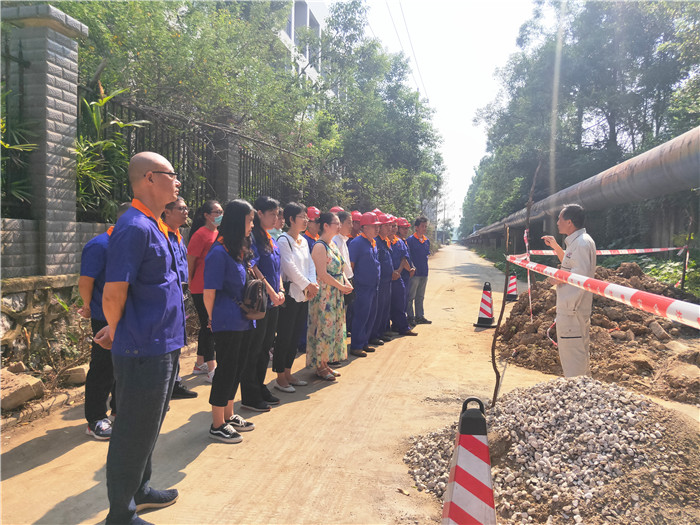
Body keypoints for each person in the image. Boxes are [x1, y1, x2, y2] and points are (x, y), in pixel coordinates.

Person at [98, 151, 184, 524]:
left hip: (162, 343)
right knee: (133, 430)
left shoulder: (155, 225)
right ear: (149, 178)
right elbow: (113, 293)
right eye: (171, 174)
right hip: (142, 349)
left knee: (150, 424)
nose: (177, 181)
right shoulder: (134, 227)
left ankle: (140, 489)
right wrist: (118, 330)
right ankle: (121, 514)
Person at [203, 199, 257, 442]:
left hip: (243, 318)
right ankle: (217, 423)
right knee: (226, 369)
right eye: (249, 220)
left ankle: (228, 414)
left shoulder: (236, 250)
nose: (252, 225)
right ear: (237, 221)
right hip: (227, 320)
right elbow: (209, 292)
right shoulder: (218, 252)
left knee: (237, 367)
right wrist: (211, 318)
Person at [78, 202, 131, 440]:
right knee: (103, 367)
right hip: (104, 316)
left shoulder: (130, 245)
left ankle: (119, 409)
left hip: (128, 315)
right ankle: (96, 418)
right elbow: (86, 281)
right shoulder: (99, 245)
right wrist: (87, 305)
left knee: (124, 365)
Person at [240, 196, 285, 412]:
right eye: (272, 214)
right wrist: (271, 292)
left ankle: (260, 386)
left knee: (265, 347)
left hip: (273, 300)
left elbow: (277, 268)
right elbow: (254, 268)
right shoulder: (253, 238)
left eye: (277, 214)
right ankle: (250, 394)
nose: (276, 218)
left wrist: (281, 289)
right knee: (254, 349)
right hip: (260, 301)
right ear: (259, 214)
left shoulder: (270, 238)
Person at [542, 204, 596, 377]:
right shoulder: (579, 242)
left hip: (573, 310)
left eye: (560, 218)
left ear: (569, 222)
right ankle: (583, 388)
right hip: (572, 309)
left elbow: (579, 276)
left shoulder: (581, 243)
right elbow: (570, 264)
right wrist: (556, 247)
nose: (557, 222)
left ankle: (578, 389)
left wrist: (556, 278)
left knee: (574, 361)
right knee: (577, 356)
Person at [275, 202, 317, 392]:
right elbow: (289, 267)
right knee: (285, 335)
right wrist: (307, 284)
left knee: (295, 335)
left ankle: (288, 372)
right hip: (291, 294)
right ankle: (280, 377)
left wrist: (312, 283)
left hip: (304, 294)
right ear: (291, 219)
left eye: (307, 217)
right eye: (302, 217)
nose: (306, 220)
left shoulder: (304, 241)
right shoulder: (284, 240)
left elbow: (310, 264)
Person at [308, 212, 353, 380]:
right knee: (323, 328)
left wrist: (346, 283)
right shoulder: (319, 246)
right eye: (336, 223)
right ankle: (320, 366)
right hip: (324, 295)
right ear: (326, 226)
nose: (339, 226)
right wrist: (341, 286)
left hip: (335, 293)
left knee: (333, 327)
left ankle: (325, 363)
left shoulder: (332, 244)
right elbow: (322, 274)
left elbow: (340, 268)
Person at [162, 197, 198, 399]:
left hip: (181, 296)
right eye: (181, 209)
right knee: (168, 342)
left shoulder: (178, 236)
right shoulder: (161, 235)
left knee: (177, 341)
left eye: (186, 208)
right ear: (166, 212)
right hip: (168, 298)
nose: (186, 212)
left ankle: (174, 383)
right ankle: (166, 386)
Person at [187, 200, 223, 382]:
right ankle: (211, 368)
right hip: (201, 287)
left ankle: (199, 363)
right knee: (209, 326)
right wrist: (190, 282)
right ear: (206, 215)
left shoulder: (217, 233)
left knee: (206, 325)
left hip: (213, 286)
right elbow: (191, 261)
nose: (220, 215)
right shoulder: (200, 234)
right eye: (217, 212)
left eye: (221, 211)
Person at [348, 212, 381, 357]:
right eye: (374, 226)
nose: (377, 229)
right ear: (365, 227)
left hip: (374, 286)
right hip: (362, 287)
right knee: (361, 316)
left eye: (378, 226)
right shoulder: (357, 243)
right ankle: (356, 345)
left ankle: (364, 342)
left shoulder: (373, 242)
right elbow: (351, 265)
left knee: (370, 315)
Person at [369, 213, 394, 345]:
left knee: (384, 308)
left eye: (390, 225)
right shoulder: (376, 242)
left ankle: (382, 331)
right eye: (387, 225)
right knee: (377, 309)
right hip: (380, 281)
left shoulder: (385, 241)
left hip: (387, 280)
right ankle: (374, 334)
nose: (390, 228)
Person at [389, 218, 417, 336]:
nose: (406, 230)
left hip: (401, 275)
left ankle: (400, 325)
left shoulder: (400, 242)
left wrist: (408, 269)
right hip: (389, 277)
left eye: (395, 226)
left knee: (401, 302)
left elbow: (404, 258)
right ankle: (396, 326)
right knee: (392, 304)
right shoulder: (383, 242)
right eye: (403, 228)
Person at [407, 217, 432, 325]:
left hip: (424, 272)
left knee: (420, 296)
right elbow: (407, 257)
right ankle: (410, 317)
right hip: (414, 273)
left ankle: (419, 316)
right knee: (410, 296)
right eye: (422, 226)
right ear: (416, 227)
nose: (424, 228)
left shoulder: (426, 241)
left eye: (425, 226)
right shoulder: (410, 240)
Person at [333, 210, 354, 334]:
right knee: (339, 312)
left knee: (344, 311)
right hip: (340, 281)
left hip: (346, 280)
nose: (351, 226)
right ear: (340, 224)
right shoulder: (336, 241)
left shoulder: (343, 240)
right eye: (349, 223)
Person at [397, 218, 417, 325]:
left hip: (406, 275)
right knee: (401, 300)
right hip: (402, 274)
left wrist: (412, 267)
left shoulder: (404, 241)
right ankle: (401, 323)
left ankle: (404, 320)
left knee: (405, 298)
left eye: (407, 228)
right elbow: (402, 259)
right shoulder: (397, 242)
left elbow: (408, 257)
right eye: (403, 228)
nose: (406, 230)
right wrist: (409, 269)